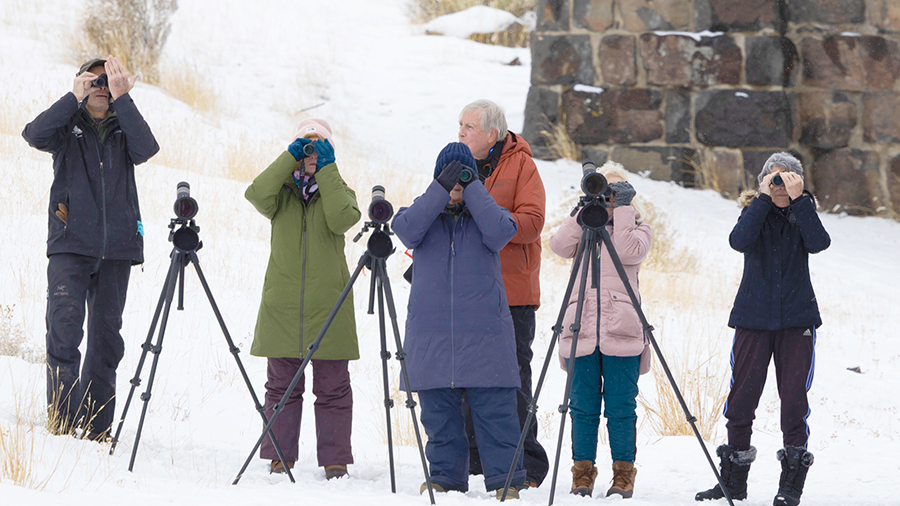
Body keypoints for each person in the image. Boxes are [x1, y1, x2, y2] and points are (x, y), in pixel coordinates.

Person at [22, 55, 159, 440]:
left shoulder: (124, 128)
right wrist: (72, 96)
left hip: (116, 249)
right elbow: (34, 135)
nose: (101, 86)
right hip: (70, 245)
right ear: (82, 82)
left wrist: (124, 97)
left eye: (107, 81)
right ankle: (63, 427)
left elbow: (147, 149)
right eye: (94, 80)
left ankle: (97, 429)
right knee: (64, 334)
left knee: (106, 341)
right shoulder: (67, 126)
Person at [392, 142, 526, 500]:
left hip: (484, 335)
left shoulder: (487, 218)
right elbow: (404, 230)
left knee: (496, 413)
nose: (456, 185)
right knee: (438, 416)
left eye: (462, 176)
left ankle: (506, 480)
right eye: (448, 177)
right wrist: (440, 188)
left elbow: (502, 232)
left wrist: (473, 187)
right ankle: (444, 478)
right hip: (432, 335)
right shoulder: (419, 216)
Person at [696, 152, 830, 506]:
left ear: (799, 181)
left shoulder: (804, 213)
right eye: (774, 178)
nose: (780, 185)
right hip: (753, 319)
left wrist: (799, 201)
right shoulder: (754, 211)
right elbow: (738, 241)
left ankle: (790, 487)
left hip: (796, 320)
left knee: (793, 401)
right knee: (741, 399)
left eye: (787, 179)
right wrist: (761, 200)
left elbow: (819, 243)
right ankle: (733, 484)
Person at [244, 118, 360, 479]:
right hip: (284, 306)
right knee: (281, 387)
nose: (311, 152)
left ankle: (335, 460)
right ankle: (280, 455)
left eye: (319, 145)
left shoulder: (338, 190)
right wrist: (289, 155)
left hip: (329, 306)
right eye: (306, 147)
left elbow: (343, 219)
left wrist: (327, 168)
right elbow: (255, 193)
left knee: (334, 389)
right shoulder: (280, 196)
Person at [457, 99, 549, 489]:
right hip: (466, 291)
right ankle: (474, 460)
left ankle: (525, 462)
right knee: (465, 377)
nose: (460, 132)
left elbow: (533, 222)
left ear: (491, 135)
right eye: (459, 125)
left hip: (512, 292)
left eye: (468, 127)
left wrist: (490, 222)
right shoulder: (455, 165)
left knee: (512, 377)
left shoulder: (523, 165)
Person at [548, 161, 652, 499]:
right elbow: (558, 246)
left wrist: (621, 208)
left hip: (621, 331)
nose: (607, 197)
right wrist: (583, 209)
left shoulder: (638, 230)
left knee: (622, 407)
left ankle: (623, 475)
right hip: (581, 330)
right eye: (603, 190)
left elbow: (627, 251)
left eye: (615, 191)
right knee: (582, 406)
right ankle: (582, 473)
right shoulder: (583, 227)